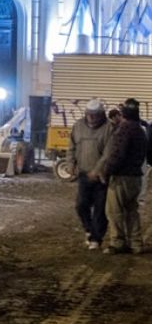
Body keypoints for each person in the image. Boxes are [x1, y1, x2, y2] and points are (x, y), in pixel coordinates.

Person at [92, 98, 147, 254]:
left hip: (121, 178)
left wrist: (106, 171)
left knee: (114, 211)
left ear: (124, 113)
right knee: (132, 211)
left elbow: (117, 154)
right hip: (136, 177)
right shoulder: (140, 130)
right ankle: (136, 243)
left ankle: (117, 242)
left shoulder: (124, 129)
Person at [66, 99, 112, 250]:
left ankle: (96, 239)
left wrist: (97, 170)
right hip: (84, 174)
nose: (92, 118)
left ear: (101, 114)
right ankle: (89, 229)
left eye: (95, 115)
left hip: (101, 177)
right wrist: (70, 163)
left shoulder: (108, 128)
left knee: (100, 209)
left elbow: (108, 153)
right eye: (89, 114)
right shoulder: (78, 126)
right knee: (81, 205)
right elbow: (71, 147)